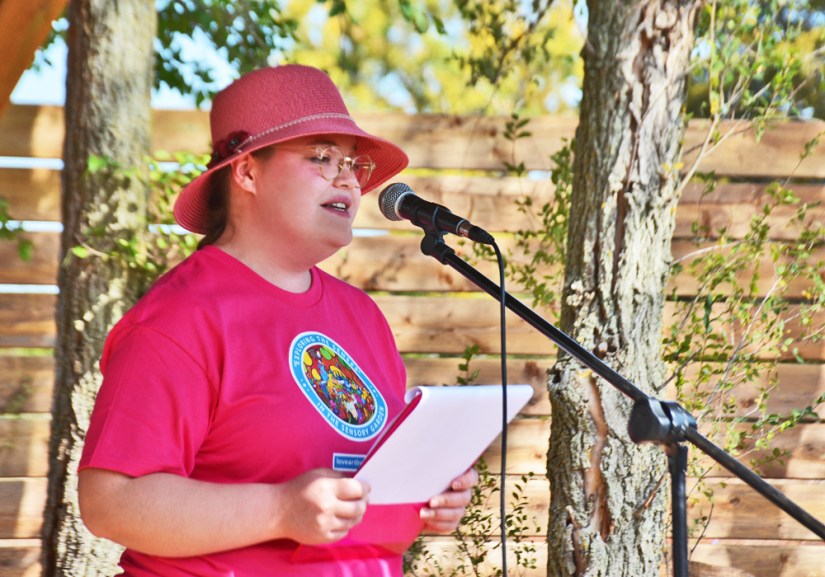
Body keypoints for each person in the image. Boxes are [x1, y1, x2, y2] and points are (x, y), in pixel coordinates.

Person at [77, 64, 478, 577]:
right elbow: (110, 502)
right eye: (321, 157)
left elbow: (356, 482)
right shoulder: (179, 318)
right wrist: (280, 511)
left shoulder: (363, 318)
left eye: (352, 163)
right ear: (246, 172)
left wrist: (424, 498)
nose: (348, 177)